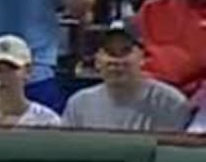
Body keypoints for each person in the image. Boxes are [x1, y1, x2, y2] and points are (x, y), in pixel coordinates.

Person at [62, 22, 191, 131]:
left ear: (143, 58)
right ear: (97, 61)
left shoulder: (170, 102)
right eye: (110, 52)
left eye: (125, 51)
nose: (117, 61)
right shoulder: (78, 104)